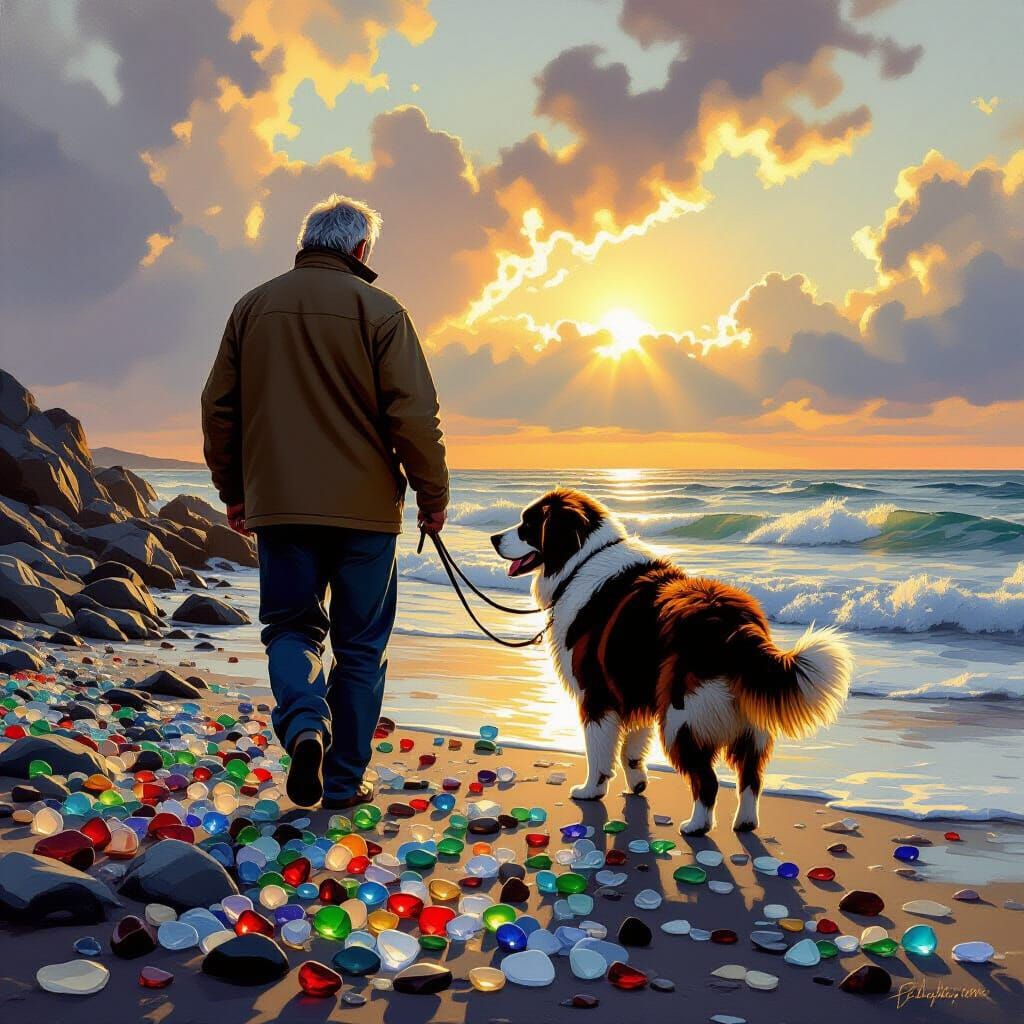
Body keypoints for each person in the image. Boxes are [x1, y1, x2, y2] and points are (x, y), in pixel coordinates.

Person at [201, 194, 449, 809]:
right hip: (365, 513)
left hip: (281, 506)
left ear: (308, 241)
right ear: (361, 250)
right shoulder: (382, 311)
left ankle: (306, 723)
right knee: (361, 646)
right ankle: (343, 781)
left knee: (291, 628)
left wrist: (234, 491)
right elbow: (414, 417)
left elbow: (218, 409)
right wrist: (432, 496)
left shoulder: (252, 307)